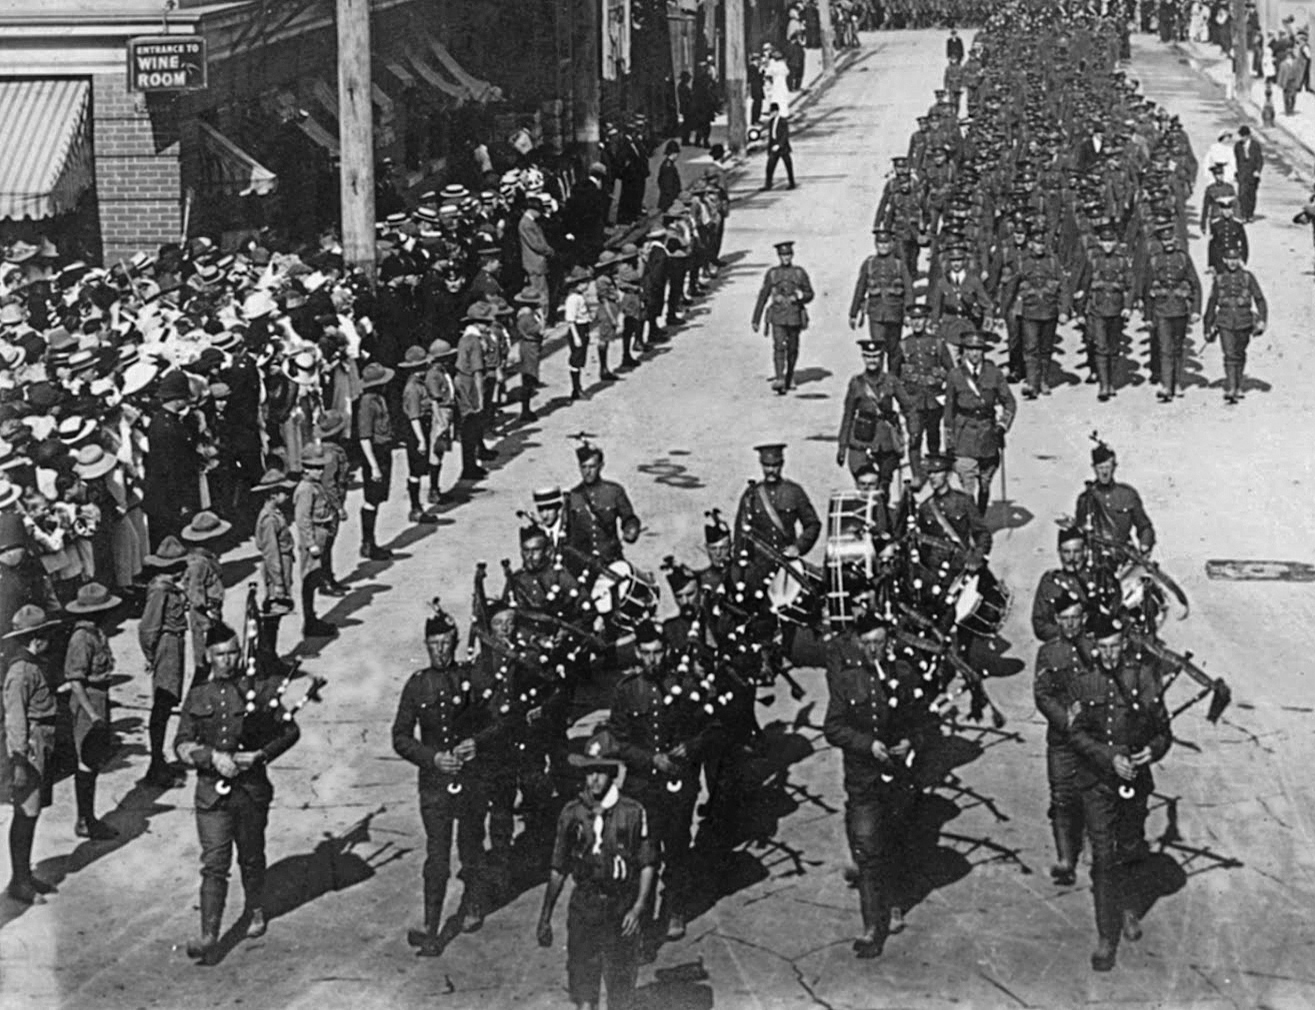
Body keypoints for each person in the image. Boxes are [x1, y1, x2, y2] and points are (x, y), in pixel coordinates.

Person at [174, 622, 302, 965]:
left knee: (251, 855)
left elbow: (290, 730)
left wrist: (261, 755)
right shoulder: (198, 695)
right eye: (220, 654)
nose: (227, 660)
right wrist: (210, 757)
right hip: (211, 794)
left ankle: (255, 907)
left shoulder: (257, 690)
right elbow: (181, 743)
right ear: (208, 656)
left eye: (233, 652)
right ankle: (209, 935)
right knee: (214, 863)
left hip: (250, 792)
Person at [823, 611, 932, 957]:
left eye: (880, 642)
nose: (874, 649)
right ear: (858, 644)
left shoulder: (904, 675)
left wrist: (911, 742)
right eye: (867, 642)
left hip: (898, 779)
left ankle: (895, 901)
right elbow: (833, 728)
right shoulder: (848, 680)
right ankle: (872, 927)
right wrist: (867, 745)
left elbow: (923, 721)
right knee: (868, 849)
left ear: (889, 643)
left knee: (895, 841)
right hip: (864, 780)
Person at [1068, 613, 1171, 972]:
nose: (1110, 654)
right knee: (1103, 857)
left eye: (1115, 647)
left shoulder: (1143, 678)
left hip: (1134, 784)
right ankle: (1105, 937)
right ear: (1095, 648)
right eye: (1103, 647)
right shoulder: (1083, 682)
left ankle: (1127, 907)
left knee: (1129, 847)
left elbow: (1163, 731)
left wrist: (1152, 751)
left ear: (1124, 644)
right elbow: (1075, 735)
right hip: (1097, 784)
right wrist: (1110, 757)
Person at [392, 604, 495, 956]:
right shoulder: (417, 685)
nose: (440, 651)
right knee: (437, 856)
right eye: (434, 644)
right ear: (426, 645)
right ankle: (432, 926)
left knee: (471, 845)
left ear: (454, 642)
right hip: (435, 785)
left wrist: (477, 743)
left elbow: (499, 722)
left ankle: (474, 902)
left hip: (470, 781)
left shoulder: (472, 678)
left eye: (446, 643)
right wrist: (432, 758)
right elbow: (400, 737)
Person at [608, 619, 719, 943]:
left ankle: (674, 907)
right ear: (637, 653)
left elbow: (712, 729)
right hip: (642, 784)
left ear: (667, 651)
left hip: (678, 783)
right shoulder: (627, 691)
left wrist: (691, 747)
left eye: (657, 652)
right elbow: (618, 742)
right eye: (646, 653)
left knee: (677, 846)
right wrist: (650, 759)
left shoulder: (685, 685)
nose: (652, 659)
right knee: (642, 851)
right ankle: (640, 916)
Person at [536, 731, 656, 1010]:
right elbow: (558, 868)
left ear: (612, 773)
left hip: (620, 906)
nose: (595, 779)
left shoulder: (633, 812)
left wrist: (638, 907)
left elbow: (647, 863)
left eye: (601, 772)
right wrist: (545, 916)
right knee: (583, 984)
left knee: (620, 987)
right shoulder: (572, 813)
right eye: (590, 772)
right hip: (585, 905)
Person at [1033, 590, 1090, 887]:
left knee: (1095, 794)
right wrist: (1065, 717)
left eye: (1075, 618)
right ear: (1056, 619)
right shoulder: (1048, 652)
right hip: (1062, 738)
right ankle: (1065, 858)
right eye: (1064, 618)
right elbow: (1042, 694)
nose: (1070, 624)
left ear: (1084, 618)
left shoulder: (1097, 649)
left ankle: (1093, 852)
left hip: (1093, 737)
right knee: (1061, 795)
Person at [4, 605, 61, 903]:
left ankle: (24, 874)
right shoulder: (21, 672)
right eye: (45, 635)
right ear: (35, 639)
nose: (49, 640)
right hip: (29, 748)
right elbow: (15, 720)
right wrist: (19, 761)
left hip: (42, 742)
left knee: (33, 812)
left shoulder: (34, 665)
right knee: (25, 814)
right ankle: (19, 881)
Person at [62, 583, 123, 840]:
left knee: (94, 759)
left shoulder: (96, 633)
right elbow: (75, 681)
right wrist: (92, 714)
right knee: (86, 760)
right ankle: (85, 820)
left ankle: (87, 818)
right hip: (88, 701)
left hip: (100, 697)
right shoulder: (82, 638)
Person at [943, 332, 1015, 516]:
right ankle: (972, 521)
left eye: (978, 349)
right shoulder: (955, 375)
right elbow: (949, 410)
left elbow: (1009, 403)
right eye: (970, 349)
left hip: (988, 435)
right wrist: (949, 441)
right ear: (964, 351)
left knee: (985, 482)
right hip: (964, 435)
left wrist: (1002, 426)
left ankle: (980, 513)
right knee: (967, 483)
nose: (974, 354)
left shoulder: (994, 374)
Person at [139, 535, 191, 789]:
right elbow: (148, 627)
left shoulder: (170, 587)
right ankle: (155, 764)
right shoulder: (160, 590)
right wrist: (152, 656)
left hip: (174, 643)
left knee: (167, 702)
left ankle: (158, 761)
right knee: (163, 702)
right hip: (166, 646)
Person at [836, 340, 912, 495]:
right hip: (862, 441)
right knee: (864, 485)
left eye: (876, 356)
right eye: (868, 356)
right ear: (863, 358)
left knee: (883, 487)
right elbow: (848, 415)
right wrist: (842, 446)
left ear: (881, 358)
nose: (872, 360)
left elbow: (908, 407)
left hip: (886, 443)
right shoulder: (857, 383)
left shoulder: (891, 381)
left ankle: (883, 509)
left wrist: (914, 431)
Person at [1072, 225, 1133, 402]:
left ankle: (1111, 381)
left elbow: (1131, 285)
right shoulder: (1092, 261)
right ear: (1099, 242)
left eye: (1110, 241)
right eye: (1104, 241)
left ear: (1115, 243)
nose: (1107, 245)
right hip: (1097, 309)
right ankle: (1103, 385)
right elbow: (1084, 286)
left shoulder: (1122, 261)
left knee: (1114, 348)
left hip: (1116, 309)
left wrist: (1128, 306)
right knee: (1100, 346)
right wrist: (1080, 311)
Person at [1142, 224, 1202, 402]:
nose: (1168, 243)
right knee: (1165, 349)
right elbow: (1147, 290)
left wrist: (1196, 310)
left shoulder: (1183, 258)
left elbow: (1195, 285)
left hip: (1180, 309)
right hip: (1161, 310)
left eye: (1170, 239)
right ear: (1160, 242)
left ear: (1175, 239)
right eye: (1165, 240)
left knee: (1177, 348)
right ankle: (1167, 385)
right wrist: (1148, 316)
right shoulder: (1154, 260)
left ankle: (1177, 383)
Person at [1204, 243, 1268, 405]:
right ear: (1224, 260)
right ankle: (1231, 387)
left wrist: (1262, 320)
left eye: (1235, 259)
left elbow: (1260, 299)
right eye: (1229, 259)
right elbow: (1211, 303)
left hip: (1244, 321)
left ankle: (1238, 385)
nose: (1232, 262)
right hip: (1225, 321)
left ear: (1239, 259)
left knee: (1239, 353)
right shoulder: (1219, 278)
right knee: (1229, 354)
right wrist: (1207, 326)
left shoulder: (1248, 277)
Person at [898, 303, 955, 487]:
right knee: (914, 437)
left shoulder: (937, 343)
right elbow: (893, 376)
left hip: (933, 399)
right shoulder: (903, 345)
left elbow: (952, 371)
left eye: (920, 319)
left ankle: (934, 469)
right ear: (909, 321)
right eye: (913, 319)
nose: (917, 323)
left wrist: (947, 392)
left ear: (927, 320)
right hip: (913, 400)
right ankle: (916, 474)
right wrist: (901, 399)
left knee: (933, 436)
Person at [1074, 440, 1155, 561]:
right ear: (1094, 468)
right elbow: (1079, 533)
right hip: (1095, 560)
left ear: (1114, 467)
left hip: (1124, 557)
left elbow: (1144, 527)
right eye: (1100, 468)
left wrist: (1145, 546)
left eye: (1107, 467)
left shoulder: (1128, 495)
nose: (1104, 472)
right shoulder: (1086, 498)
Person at [751, 240, 815, 394]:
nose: (785, 258)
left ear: (792, 255)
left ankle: (790, 376)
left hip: (794, 316)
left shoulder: (799, 273)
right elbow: (763, 295)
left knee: (792, 348)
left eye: (788, 255)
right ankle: (780, 377)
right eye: (782, 255)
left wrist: (800, 297)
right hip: (778, 315)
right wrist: (756, 318)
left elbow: (810, 293)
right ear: (779, 256)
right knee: (779, 346)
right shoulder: (773, 274)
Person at [565, 441, 641, 567]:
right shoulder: (573, 496)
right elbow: (567, 533)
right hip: (583, 563)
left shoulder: (614, 491)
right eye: (584, 467)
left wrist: (631, 529)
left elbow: (629, 518)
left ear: (601, 466)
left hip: (610, 560)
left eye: (592, 467)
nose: (587, 472)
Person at [849, 229, 915, 374]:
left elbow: (909, 289)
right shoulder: (869, 264)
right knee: (877, 348)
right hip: (876, 314)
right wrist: (853, 313)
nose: (883, 246)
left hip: (895, 313)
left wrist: (908, 313)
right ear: (876, 244)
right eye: (880, 243)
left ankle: (893, 380)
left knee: (894, 350)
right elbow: (860, 288)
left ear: (891, 244)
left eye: (886, 243)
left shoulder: (899, 265)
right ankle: (878, 380)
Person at [293, 447, 339, 639]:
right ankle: (310, 622)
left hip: (321, 535)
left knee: (314, 578)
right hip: (313, 537)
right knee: (309, 579)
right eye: (315, 468)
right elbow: (302, 519)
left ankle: (312, 619)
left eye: (321, 467)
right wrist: (310, 543)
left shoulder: (315, 485)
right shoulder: (305, 489)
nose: (320, 471)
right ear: (305, 468)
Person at [181, 510, 229, 688]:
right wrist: (207, 610)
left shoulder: (207, 558)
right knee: (204, 655)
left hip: (211, 612)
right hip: (204, 616)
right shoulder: (199, 563)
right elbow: (195, 590)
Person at [356, 361, 398, 557]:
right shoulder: (367, 403)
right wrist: (373, 466)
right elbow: (364, 437)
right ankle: (368, 543)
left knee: (378, 498)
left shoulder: (378, 398)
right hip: (374, 453)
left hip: (383, 451)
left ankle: (370, 542)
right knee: (371, 499)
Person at [762, 103, 796, 191]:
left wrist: (779, 145)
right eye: (771, 112)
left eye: (773, 112)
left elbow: (785, 135)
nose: (772, 114)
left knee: (788, 166)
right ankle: (768, 185)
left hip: (783, 148)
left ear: (777, 111)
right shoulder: (771, 122)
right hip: (773, 147)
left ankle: (792, 183)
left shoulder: (783, 121)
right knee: (769, 167)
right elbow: (771, 136)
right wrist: (769, 149)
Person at [1233, 125, 1263, 222]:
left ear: (1248, 136)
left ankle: (1249, 214)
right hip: (1242, 174)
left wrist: (1258, 171)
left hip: (1252, 174)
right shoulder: (1238, 146)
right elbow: (1236, 159)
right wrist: (1236, 172)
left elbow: (1259, 159)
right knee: (1242, 194)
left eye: (1244, 136)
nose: (1242, 138)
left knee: (1251, 195)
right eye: (1241, 136)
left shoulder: (1255, 145)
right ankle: (1243, 214)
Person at [657, 141, 682, 213]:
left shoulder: (667, 164)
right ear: (674, 153)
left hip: (668, 199)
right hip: (669, 201)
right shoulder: (668, 167)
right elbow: (668, 186)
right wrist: (673, 200)